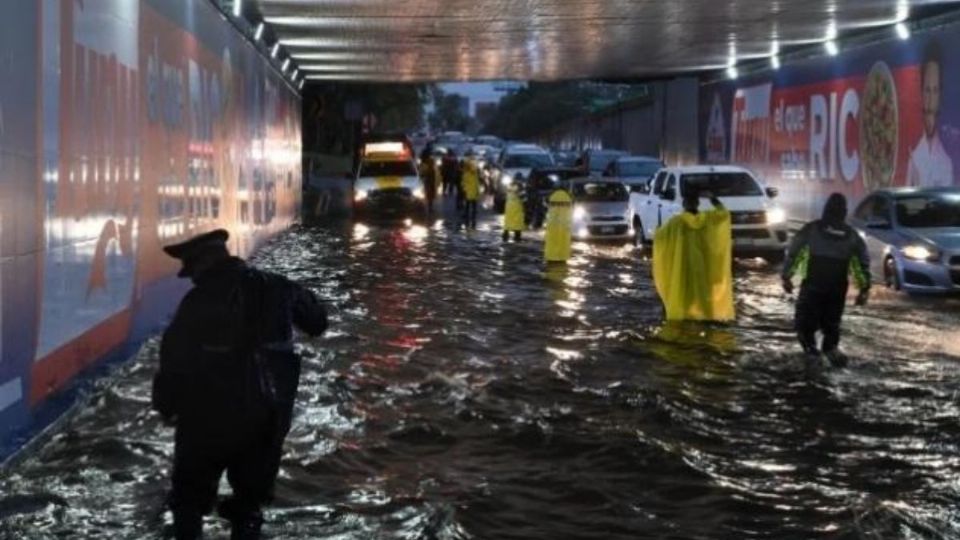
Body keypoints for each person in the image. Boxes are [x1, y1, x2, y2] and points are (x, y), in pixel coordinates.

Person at [152, 229, 327, 540]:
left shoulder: (197, 301)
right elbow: (317, 321)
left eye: (193, 271)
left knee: (188, 502)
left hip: (206, 418)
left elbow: (174, 359)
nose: (192, 279)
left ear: (204, 264)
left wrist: (167, 406)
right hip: (266, 419)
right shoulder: (278, 286)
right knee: (249, 506)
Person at [782, 193, 870, 367]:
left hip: (813, 285)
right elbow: (861, 264)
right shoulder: (852, 236)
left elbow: (794, 253)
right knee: (831, 325)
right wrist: (864, 288)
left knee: (804, 325)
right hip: (837, 289)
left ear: (825, 209)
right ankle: (831, 351)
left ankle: (811, 354)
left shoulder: (811, 229)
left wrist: (787, 276)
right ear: (844, 212)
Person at [652, 188, 734, 321]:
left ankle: (685, 319)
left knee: (684, 296)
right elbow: (724, 214)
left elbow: (660, 239)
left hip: (683, 267)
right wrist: (713, 198)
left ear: (684, 204)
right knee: (704, 296)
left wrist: (657, 229)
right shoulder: (708, 219)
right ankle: (707, 319)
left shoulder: (676, 223)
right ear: (698, 204)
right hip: (703, 267)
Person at [908, 41, 954, 187]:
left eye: (935, 90)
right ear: (921, 92)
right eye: (927, 90)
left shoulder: (946, 163)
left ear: (940, 94)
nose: (930, 99)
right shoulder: (913, 156)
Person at [544, 187, 573, 262]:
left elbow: (545, 204)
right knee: (563, 242)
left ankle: (552, 256)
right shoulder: (567, 196)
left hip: (553, 226)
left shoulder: (552, 196)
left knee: (552, 241)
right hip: (564, 226)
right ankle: (562, 256)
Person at [461, 152, 481, 230]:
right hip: (469, 192)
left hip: (473, 192)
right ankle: (467, 217)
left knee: (472, 205)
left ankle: (472, 217)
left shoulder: (474, 174)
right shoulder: (466, 174)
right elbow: (463, 182)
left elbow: (477, 183)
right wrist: (465, 190)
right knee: (468, 205)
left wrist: (478, 190)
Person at [419, 149, 439, 214]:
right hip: (429, 181)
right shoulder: (429, 163)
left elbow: (421, 173)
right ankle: (428, 207)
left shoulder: (424, 164)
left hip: (429, 181)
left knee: (428, 195)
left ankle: (427, 207)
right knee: (429, 195)